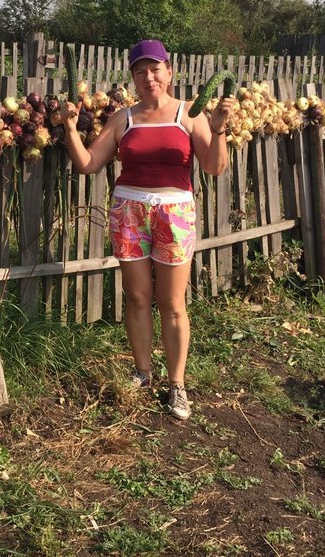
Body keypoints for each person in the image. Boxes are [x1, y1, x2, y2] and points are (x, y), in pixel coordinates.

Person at [63, 39, 234, 420]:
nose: (148, 77)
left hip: (175, 213)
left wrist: (219, 130)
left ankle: (177, 384)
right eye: (140, 71)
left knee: (172, 303)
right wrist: (71, 129)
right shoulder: (122, 119)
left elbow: (214, 167)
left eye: (155, 69)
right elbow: (88, 164)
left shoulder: (190, 113)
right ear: (133, 77)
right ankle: (142, 372)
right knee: (138, 297)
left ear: (169, 72)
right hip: (129, 210)